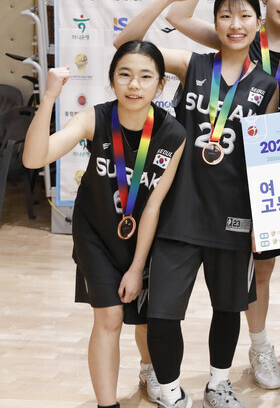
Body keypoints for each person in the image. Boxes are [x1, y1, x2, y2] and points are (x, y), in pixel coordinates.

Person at [113, 0, 279, 408]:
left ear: (258, 23)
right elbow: (128, 44)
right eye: (226, 15)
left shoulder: (267, 85)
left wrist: (264, 220)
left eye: (244, 16)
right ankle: (170, 390)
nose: (235, 24)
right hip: (179, 210)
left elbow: (265, 159)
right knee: (163, 311)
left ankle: (219, 384)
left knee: (228, 308)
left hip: (234, 214)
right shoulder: (193, 65)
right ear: (215, 22)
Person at [166, 0, 280, 386]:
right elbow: (177, 17)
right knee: (256, 269)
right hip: (239, 164)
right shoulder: (236, 32)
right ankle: (260, 345)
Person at [22, 42, 185, 408]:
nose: (134, 85)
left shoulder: (173, 134)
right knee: (109, 317)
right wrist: (48, 98)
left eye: (145, 76)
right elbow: (33, 158)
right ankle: (106, 404)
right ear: (112, 80)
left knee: (145, 320)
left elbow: (153, 205)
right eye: (124, 74)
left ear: (160, 85)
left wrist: (137, 268)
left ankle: (148, 368)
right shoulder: (93, 119)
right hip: (95, 233)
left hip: (143, 238)